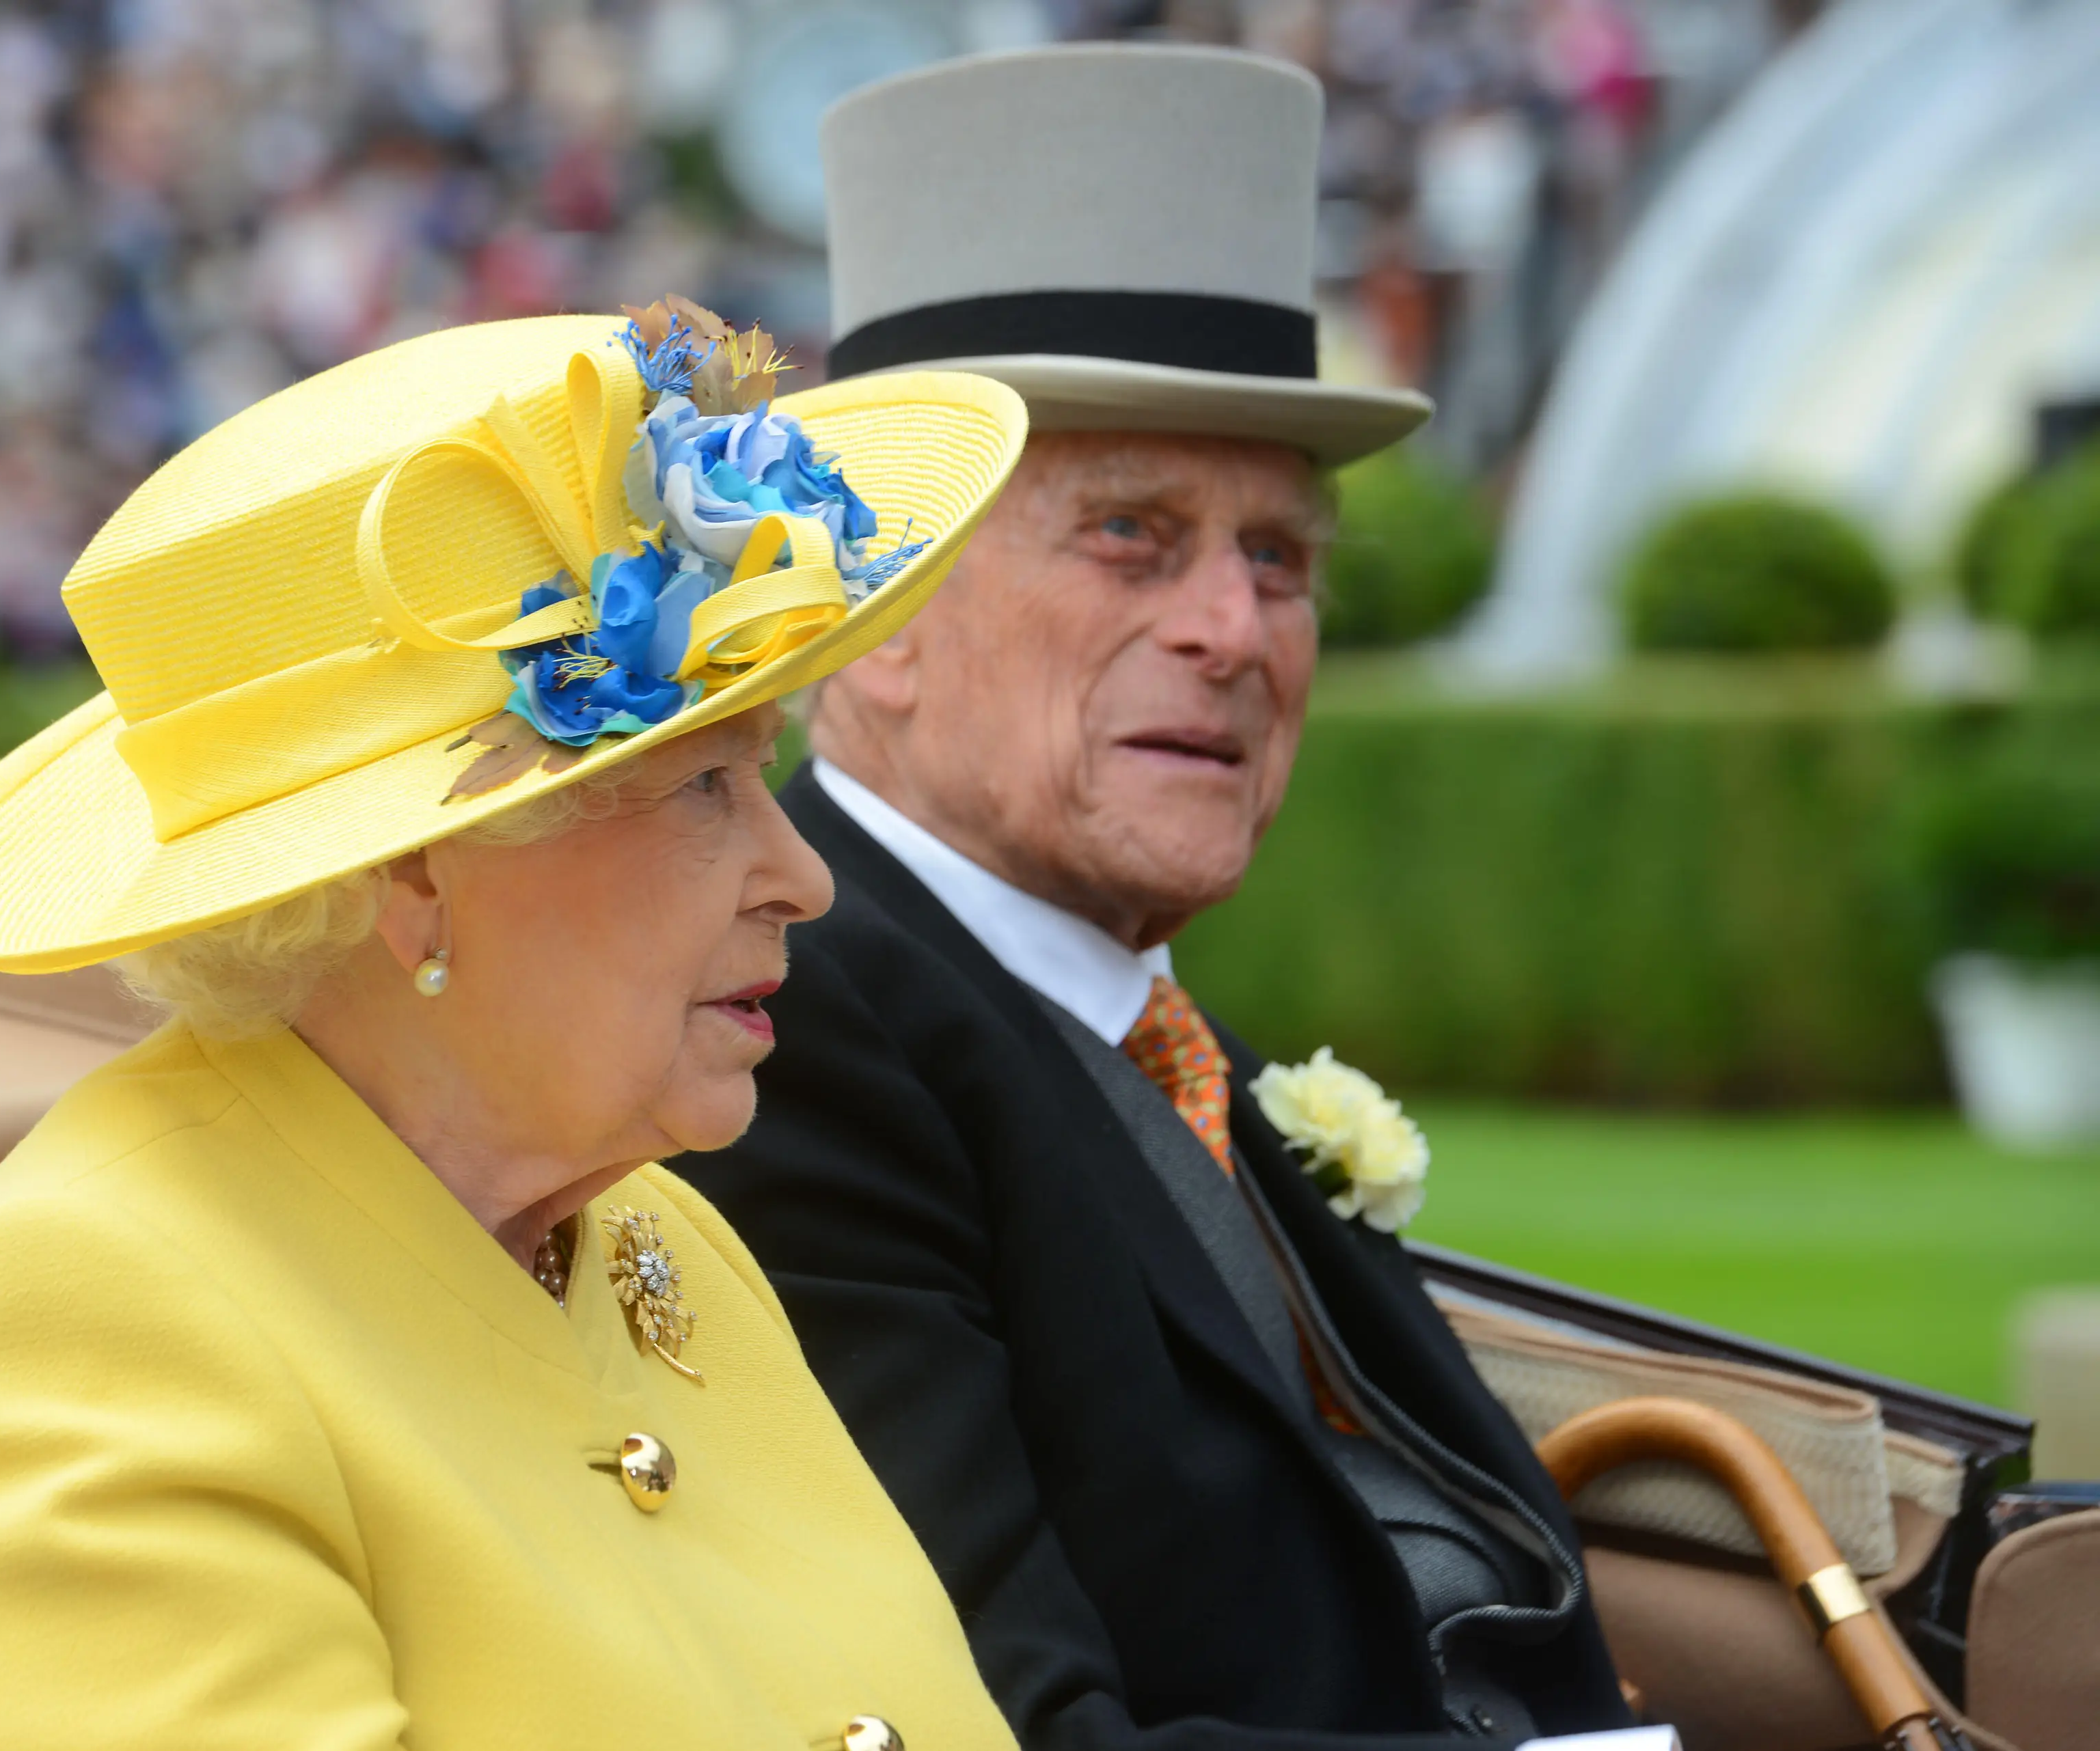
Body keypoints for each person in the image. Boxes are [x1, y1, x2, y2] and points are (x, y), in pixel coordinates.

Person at [0, 305, 1031, 1751]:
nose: (804, 879)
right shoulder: (96, 1323)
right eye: (701, 786)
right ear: (414, 879)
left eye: (757, 772)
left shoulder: (649, 1229)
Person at [679, 46, 1640, 1749]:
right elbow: (1012, 1726)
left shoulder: (1158, 1041)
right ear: (875, 619)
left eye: (1280, 558)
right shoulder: (783, 1033)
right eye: (1132, 533)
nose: (1234, 630)